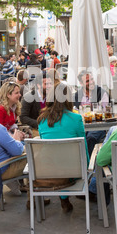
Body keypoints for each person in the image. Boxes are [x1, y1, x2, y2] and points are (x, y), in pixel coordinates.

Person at [37, 82, 88, 212]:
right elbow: (84, 146)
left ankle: (63, 197)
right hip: (73, 168)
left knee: (57, 158)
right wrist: (87, 166)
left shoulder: (42, 120)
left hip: (48, 168)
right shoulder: (76, 118)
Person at [74, 70, 110, 158]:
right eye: (87, 81)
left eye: (92, 79)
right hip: (82, 125)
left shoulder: (101, 93)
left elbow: (105, 112)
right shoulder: (77, 95)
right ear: (81, 83)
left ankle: (89, 164)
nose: (91, 82)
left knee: (90, 138)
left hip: (98, 125)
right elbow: (74, 111)